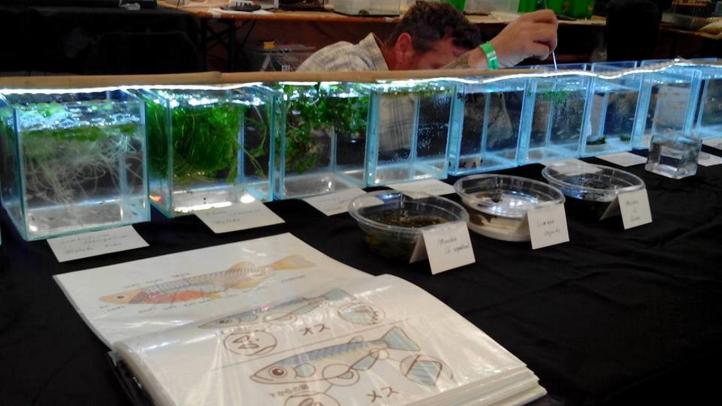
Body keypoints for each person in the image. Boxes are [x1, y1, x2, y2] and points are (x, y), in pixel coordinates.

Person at [297, 1, 559, 72]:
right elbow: (377, 129)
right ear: (403, 47)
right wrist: (488, 55)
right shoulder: (345, 62)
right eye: (439, 70)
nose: (443, 88)